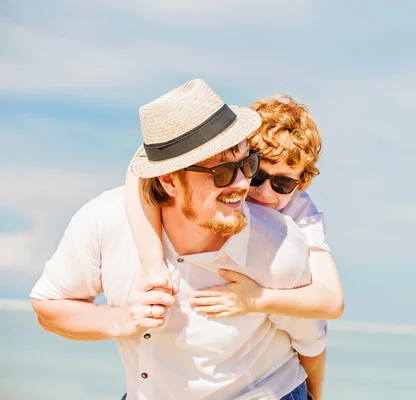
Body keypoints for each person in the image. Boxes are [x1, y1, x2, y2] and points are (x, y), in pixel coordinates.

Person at [30, 79, 327, 400]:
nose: (245, 186)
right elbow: (48, 307)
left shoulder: (279, 245)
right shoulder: (105, 221)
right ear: (168, 180)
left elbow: (313, 338)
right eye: (223, 173)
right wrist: (116, 319)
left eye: (246, 165)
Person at [124, 95, 344, 398]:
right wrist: (153, 264)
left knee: (312, 339)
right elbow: (136, 174)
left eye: (282, 184)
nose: (265, 193)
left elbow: (331, 300)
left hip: (288, 315)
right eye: (258, 176)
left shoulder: (301, 212)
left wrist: (256, 300)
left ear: (300, 183)